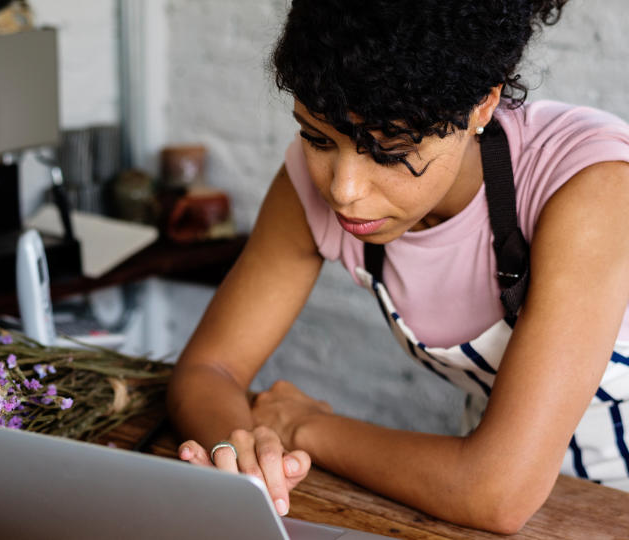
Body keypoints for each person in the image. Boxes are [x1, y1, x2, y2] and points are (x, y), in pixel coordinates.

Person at [166, 0, 629, 534]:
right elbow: (209, 370)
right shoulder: (317, 188)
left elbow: (498, 493)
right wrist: (242, 449)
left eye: (388, 150)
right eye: (318, 138)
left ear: (482, 105)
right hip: (492, 491)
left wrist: (308, 428)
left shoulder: (588, 182)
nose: (344, 191)